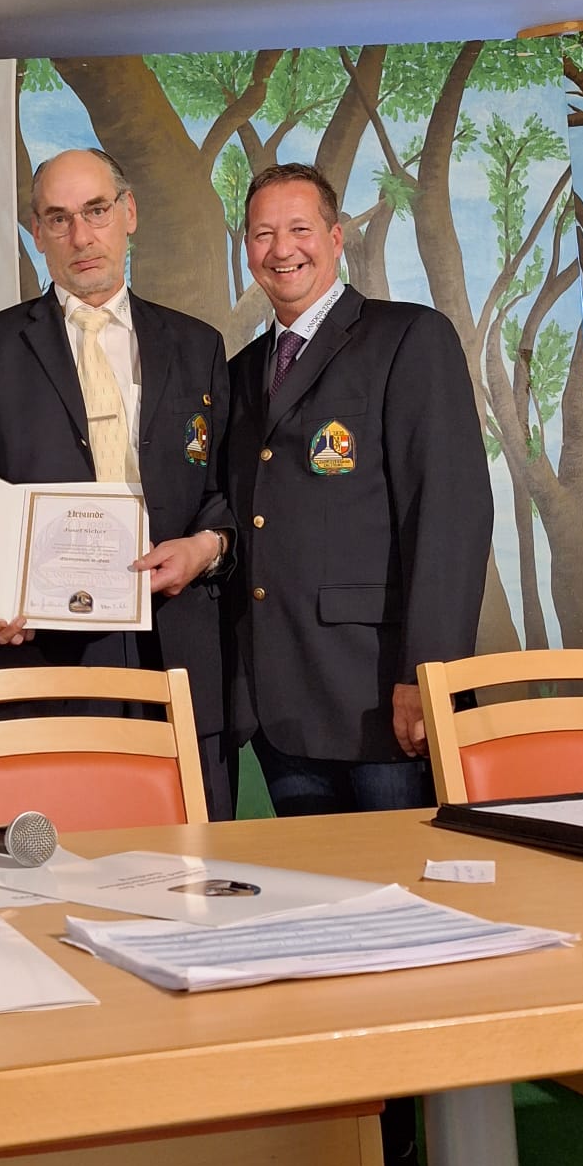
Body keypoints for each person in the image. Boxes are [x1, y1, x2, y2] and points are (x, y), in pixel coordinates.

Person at [0, 147, 236, 817]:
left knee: (194, 855)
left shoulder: (196, 344)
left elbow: (227, 493)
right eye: (59, 219)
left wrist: (205, 548)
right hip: (43, 661)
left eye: (97, 211)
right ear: (37, 232)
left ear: (128, 212)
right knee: (57, 862)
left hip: (177, 651)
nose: (81, 236)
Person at [225, 160, 492, 816]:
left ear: (336, 237)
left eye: (299, 229)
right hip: (278, 705)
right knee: (310, 877)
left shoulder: (408, 338)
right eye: (262, 234)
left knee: (407, 876)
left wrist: (427, 676)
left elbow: (449, 517)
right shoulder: (239, 373)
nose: (281, 250)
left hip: (381, 697)